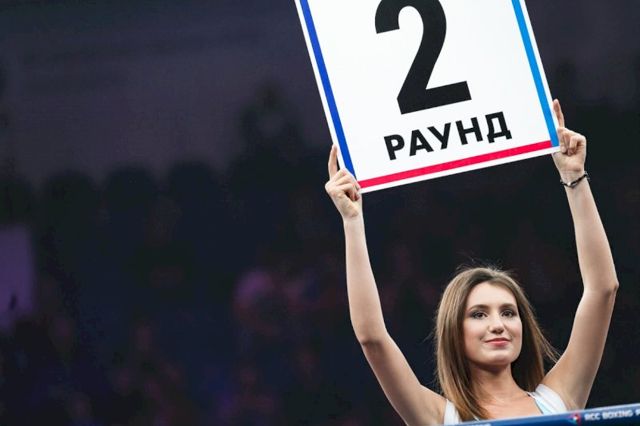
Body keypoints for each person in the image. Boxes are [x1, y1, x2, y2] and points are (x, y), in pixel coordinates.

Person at [324, 100, 618, 425]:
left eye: (508, 312)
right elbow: (372, 338)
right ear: (455, 331)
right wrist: (352, 221)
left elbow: (603, 289)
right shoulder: (440, 416)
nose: (498, 324)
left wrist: (574, 177)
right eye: (479, 314)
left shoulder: (558, 400)